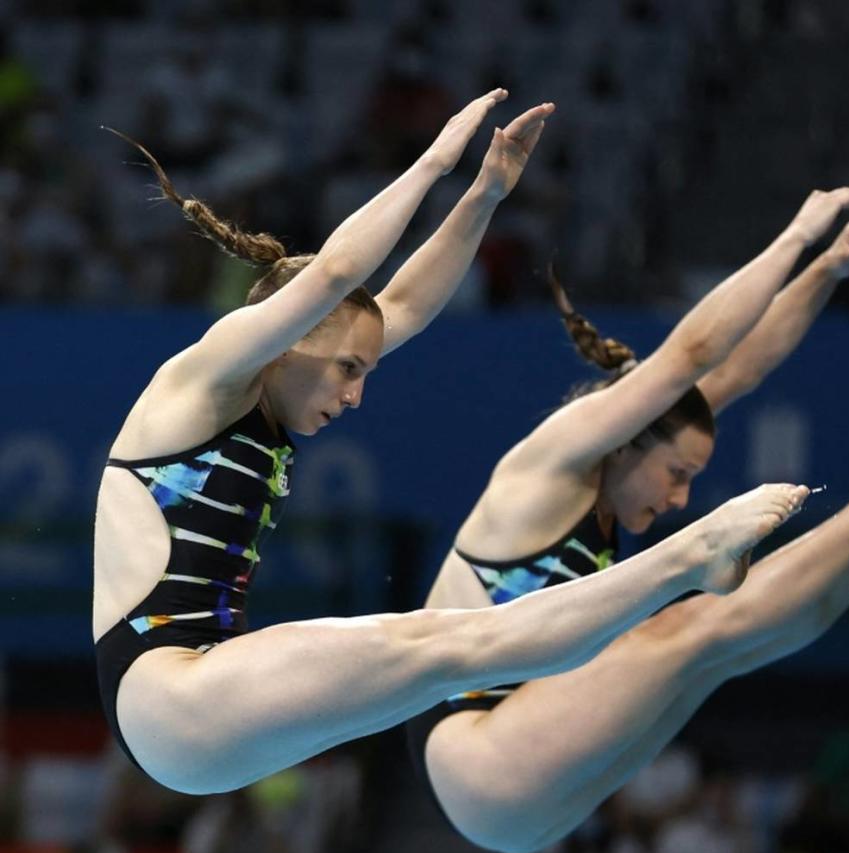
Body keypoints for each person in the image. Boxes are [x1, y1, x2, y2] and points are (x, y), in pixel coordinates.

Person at [92, 88, 806, 796]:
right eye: (347, 369)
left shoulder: (277, 386)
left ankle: (678, 575)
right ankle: (687, 563)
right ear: (291, 335)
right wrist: (436, 160)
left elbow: (399, 305)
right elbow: (341, 272)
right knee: (448, 640)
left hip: (200, 703)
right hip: (166, 690)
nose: (357, 394)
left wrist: (485, 194)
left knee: (460, 652)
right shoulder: (204, 378)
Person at [411, 184, 849, 853]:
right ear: (629, 440)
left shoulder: (624, 465)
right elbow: (690, 355)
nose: (681, 499)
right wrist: (797, 237)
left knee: (722, 650)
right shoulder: (551, 462)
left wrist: (824, 273)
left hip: (530, 772)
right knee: (691, 621)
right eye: (678, 474)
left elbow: (737, 368)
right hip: (474, 750)